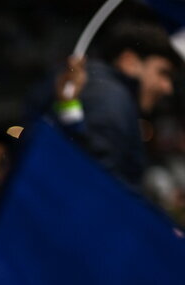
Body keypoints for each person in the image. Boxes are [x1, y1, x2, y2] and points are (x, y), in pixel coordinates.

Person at [42, 18, 178, 187]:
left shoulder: (106, 92)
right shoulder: (111, 99)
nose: (168, 88)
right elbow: (95, 181)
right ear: (130, 62)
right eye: (163, 73)